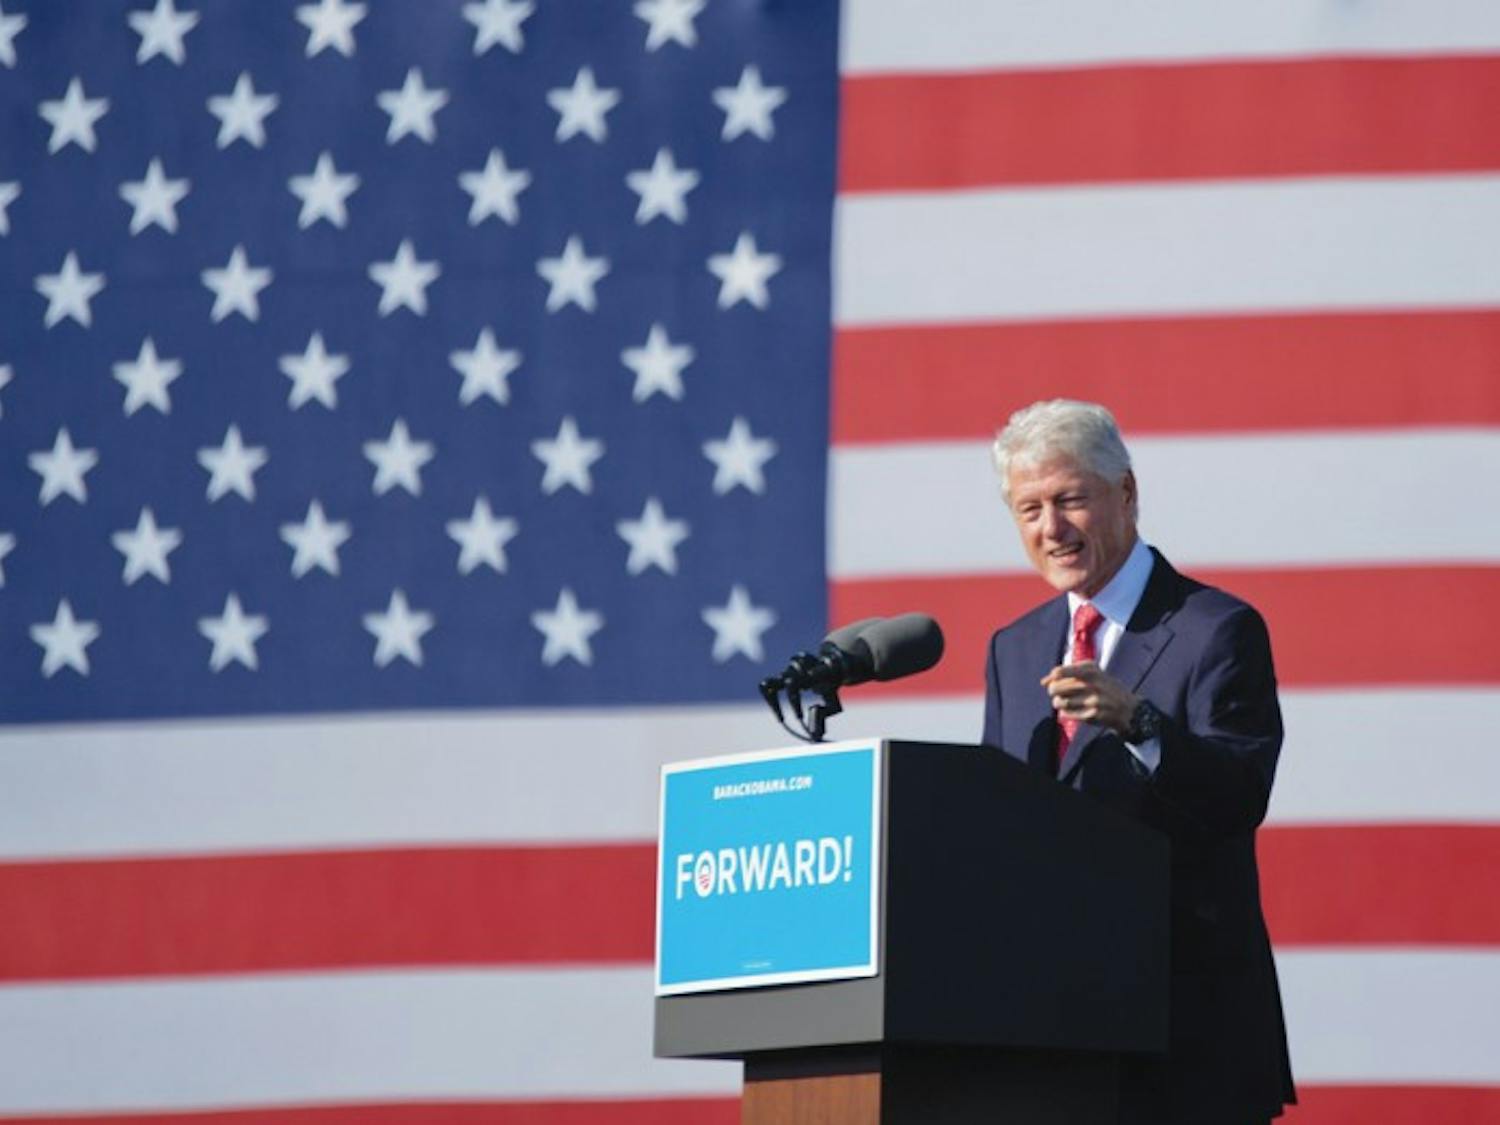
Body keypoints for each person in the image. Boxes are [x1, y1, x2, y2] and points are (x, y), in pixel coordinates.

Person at [981, 399, 1295, 1124]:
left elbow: (1239, 792)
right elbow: (998, 824)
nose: (1050, 529)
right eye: (1028, 509)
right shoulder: (1014, 646)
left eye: (1069, 500)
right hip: (1051, 1036)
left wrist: (1139, 719)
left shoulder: (1216, 629)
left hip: (1182, 1033)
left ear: (1125, 493)